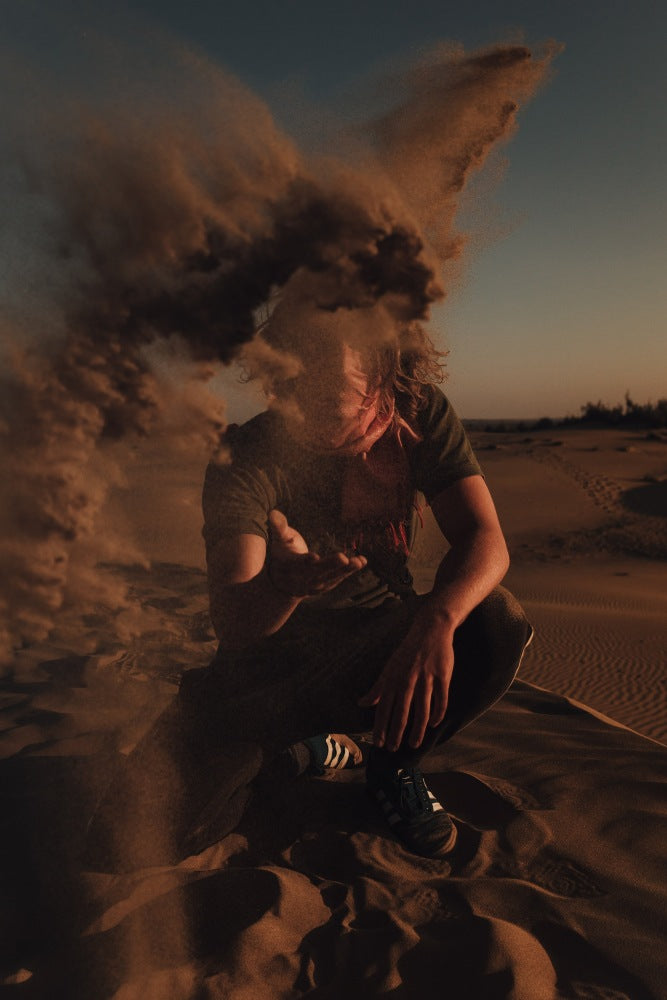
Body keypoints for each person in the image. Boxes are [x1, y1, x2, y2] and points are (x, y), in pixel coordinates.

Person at [177, 299, 533, 861]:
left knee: (496, 619)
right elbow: (235, 622)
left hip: (377, 654)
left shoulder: (417, 416)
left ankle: (393, 765)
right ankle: (301, 751)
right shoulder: (245, 453)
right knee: (155, 833)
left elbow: (485, 539)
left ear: (386, 359)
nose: (337, 367)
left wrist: (435, 624)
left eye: (357, 346)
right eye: (315, 351)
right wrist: (284, 586)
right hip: (268, 667)